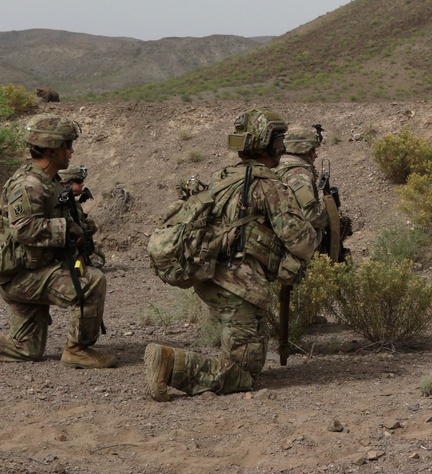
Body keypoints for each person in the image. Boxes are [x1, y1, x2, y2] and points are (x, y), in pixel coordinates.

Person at [144, 108, 316, 401]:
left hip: (211, 276)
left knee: (244, 353)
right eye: (279, 139)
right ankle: (171, 364)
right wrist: (316, 230)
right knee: (243, 374)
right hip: (241, 287)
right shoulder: (268, 185)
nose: (282, 146)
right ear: (267, 143)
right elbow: (300, 241)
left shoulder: (222, 177)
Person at [0, 114, 116, 368]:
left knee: (26, 350)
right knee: (92, 281)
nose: (71, 151)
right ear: (52, 150)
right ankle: (77, 350)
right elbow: (24, 228)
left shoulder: (50, 182)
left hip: (34, 269)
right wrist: (68, 229)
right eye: (67, 145)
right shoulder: (29, 184)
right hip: (22, 276)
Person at [273, 125, 327, 246]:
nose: (315, 156)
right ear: (304, 150)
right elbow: (310, 215)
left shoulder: (275, 166)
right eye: (313, 150)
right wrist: (329, 210)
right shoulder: (298, 174)